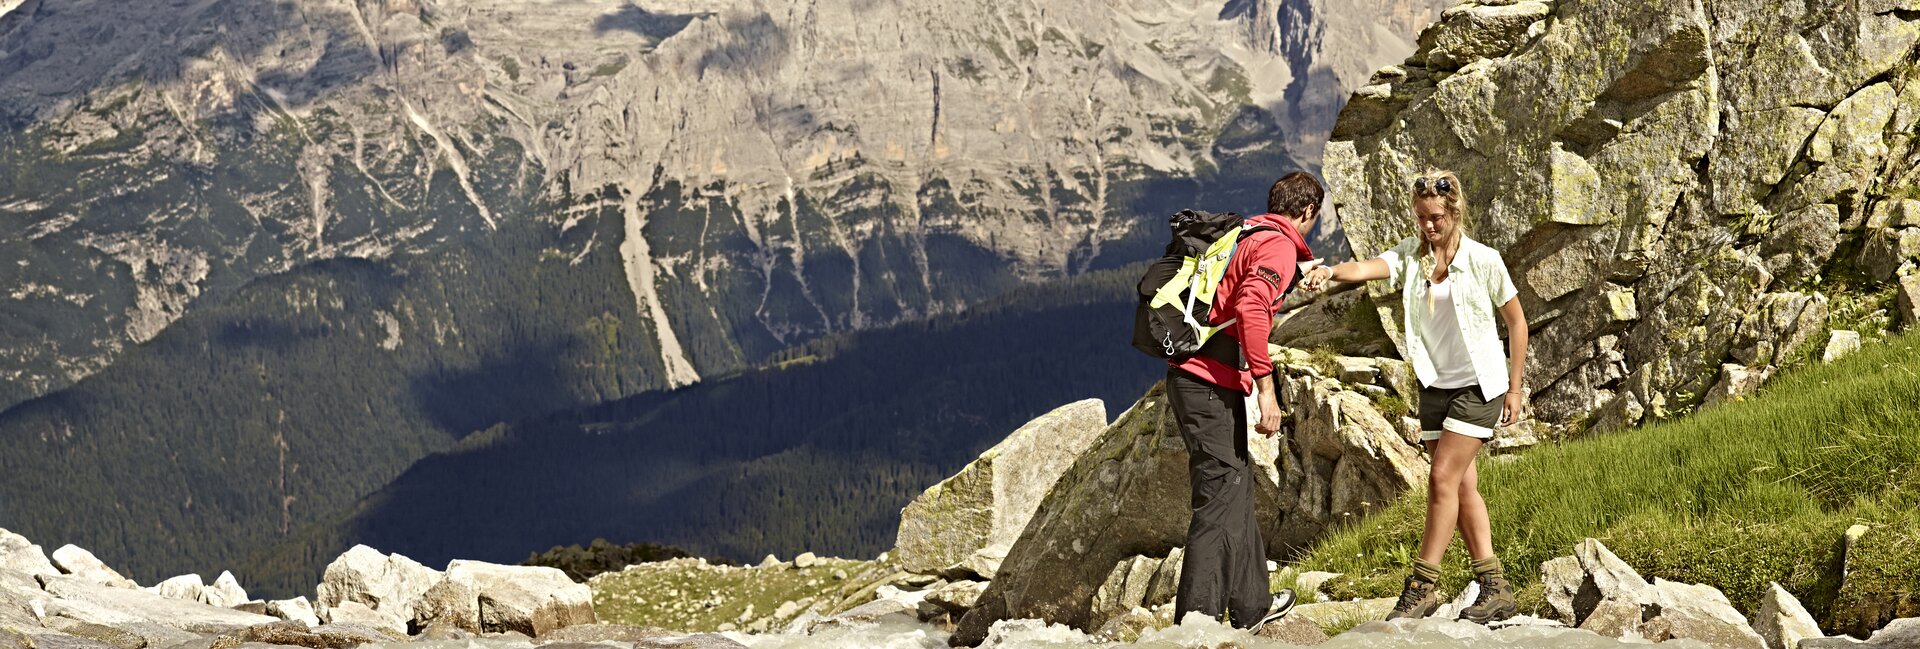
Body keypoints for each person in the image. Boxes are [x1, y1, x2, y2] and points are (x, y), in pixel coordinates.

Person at [1299, 170, 1529, 624]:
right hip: (1434, 388)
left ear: (1455, 212)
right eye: (1422, 217)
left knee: (1442, 479)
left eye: (1437, 217)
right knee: (1461, 486)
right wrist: (1328, 273)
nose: (1428, 226)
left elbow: (1517, 323)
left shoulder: (1484, 260)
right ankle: (1494, 586)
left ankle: (1422, 584)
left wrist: (1516, 388)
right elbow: (1367, 268)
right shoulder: (1412, 255)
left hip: (1479, 386)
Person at [1166, 172, 1321, 632]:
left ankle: (1252, 605)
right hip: (1209, 383)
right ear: (1309, 212)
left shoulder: (1246, 233)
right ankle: (1196, 624)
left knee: (1235, 483)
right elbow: (1252, 305)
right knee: (1218, 492)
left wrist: (1297, 274)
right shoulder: (1277, 246)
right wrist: (1266, 387)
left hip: (1195, 377)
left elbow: (1239, 287)